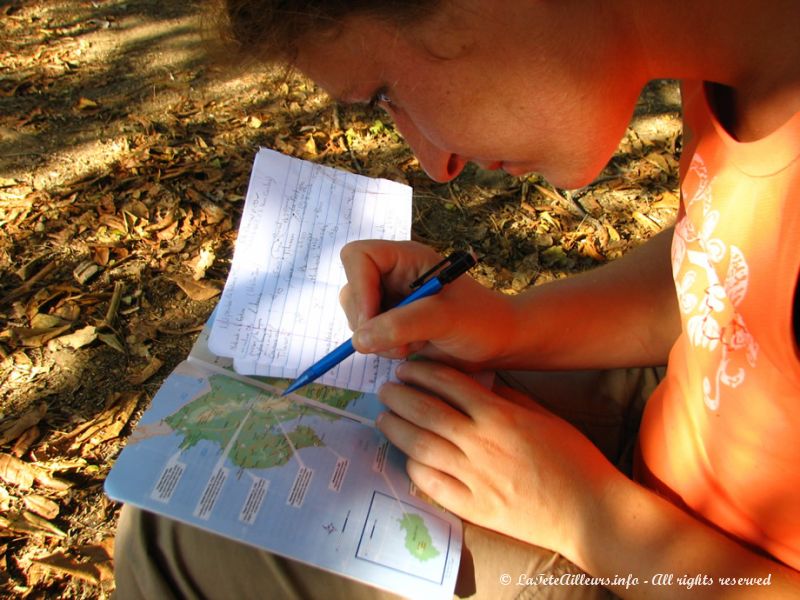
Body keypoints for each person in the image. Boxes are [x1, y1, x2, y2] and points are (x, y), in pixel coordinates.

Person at [114, 0, 800, 597]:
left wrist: (584, 515)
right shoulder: (734, 47)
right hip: (663, 442)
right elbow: (715, 267)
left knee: (177, 539)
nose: (434, 162)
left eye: (390, 93)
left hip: (674, 563)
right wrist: (510, 324)